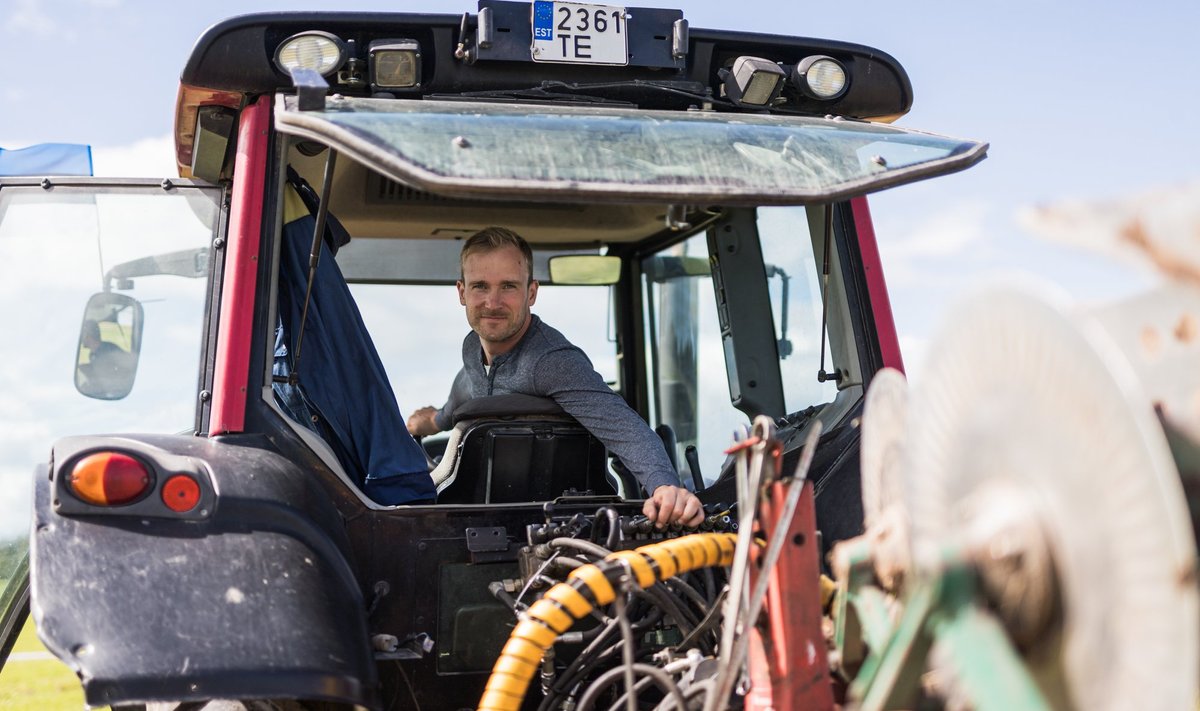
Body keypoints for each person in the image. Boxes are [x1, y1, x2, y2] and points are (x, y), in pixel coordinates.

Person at [408, 227, 704, 528]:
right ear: (462, 292)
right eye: (481, 286)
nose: (493, 302)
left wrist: (665, 486)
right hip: (478, 525)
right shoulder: (472, 349)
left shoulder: (551, 361)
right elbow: (464, 393)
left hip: (561, 528)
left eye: (508, 286)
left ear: (531, 292)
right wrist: (431, 422)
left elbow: (622, 426)